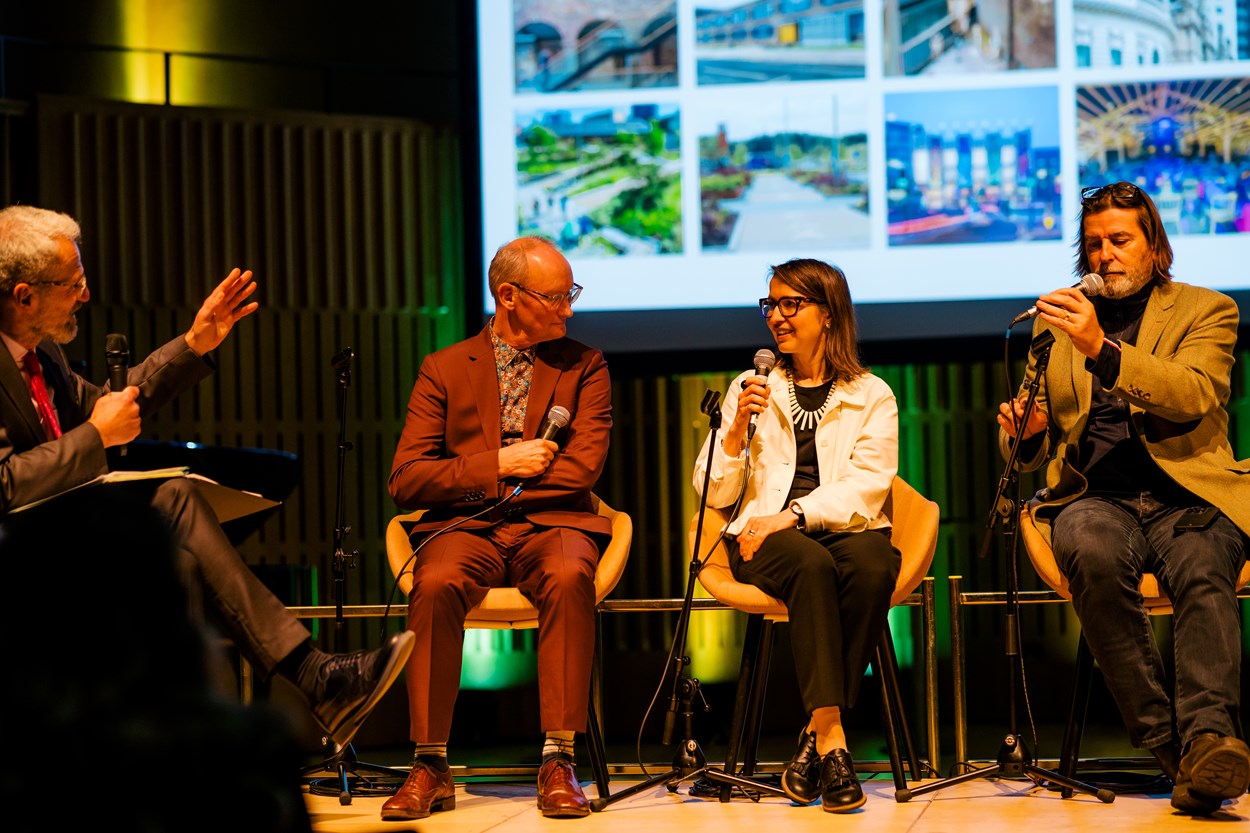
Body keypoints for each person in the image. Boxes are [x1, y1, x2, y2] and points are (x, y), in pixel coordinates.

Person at [0, 204, 414, 754]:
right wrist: (95, 438)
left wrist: (194, 344)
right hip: (18, 560)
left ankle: (201, 742)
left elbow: (109, 409)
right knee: (171, 500)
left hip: (68, 547)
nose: (86, 294)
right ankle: (313, 679)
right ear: (24, 295)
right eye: (73, 283)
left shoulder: (43, 354)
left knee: (180, 554)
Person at [996, 181, 1250, 815]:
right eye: (1092, 244)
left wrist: (1101, 350)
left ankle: (1211, 735)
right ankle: (1176, 749)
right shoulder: (1055, 327)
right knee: (1089, 549)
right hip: (1094, 496)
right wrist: (1024, 436)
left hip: (1186, 489)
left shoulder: (1207, 310)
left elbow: (1193, 393)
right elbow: (1032, 446)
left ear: (1153, 246)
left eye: (1119, 240)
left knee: (1202, 566)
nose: (1104, 254)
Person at [382, 236, 611, 821]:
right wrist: (498, 466)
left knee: (567, 573)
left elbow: (582, 467)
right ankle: (429, 762)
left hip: (552, 523)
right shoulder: (445, 368)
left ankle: (559, 759)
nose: (568, 309)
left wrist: (474, 479)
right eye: (557, 297)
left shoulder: (585, 366)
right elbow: (407, 478)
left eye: (570, 295)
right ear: (508, 296)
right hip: (465, 526)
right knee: (432, 583)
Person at [692, 258, 900, 813]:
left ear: (827, 314)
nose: (776, 318)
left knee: (876, 566)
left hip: (830, 525)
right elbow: (711, 492)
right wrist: (733, 434)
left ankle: (814, 736)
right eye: (771, 306)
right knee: (811, 566)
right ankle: (833, 740)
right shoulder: (750, 385)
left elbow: (868, 488)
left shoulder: (873, 393)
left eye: (791, 305)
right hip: (761, 535)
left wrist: (797, 514)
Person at [2, 488, 313, 833]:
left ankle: (310, 671)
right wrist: (94, 434)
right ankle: (310, 673)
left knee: (180, 505)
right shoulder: (259, 757)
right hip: (35, 532)